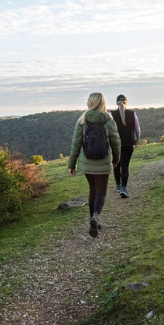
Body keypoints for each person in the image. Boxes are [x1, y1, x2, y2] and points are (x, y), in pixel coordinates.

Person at [68, 92, 121, 238]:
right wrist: (116, 159)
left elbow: (76, 144)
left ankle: (93, 220)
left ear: (92, 103)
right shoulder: (109, 121)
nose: (86, 103)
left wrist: (71, 164)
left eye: (88, 101)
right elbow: (117, 143)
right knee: (101, 192)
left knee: (92, 190)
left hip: (87, 162)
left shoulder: (82, 120)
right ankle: (96, 217)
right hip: (104, 162)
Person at [110, 94, 141, 199]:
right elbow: (138, 130)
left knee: (116, 165)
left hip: (115, 145)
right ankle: (123, 188)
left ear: (116, 103)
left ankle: (118, 185)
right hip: (128, 143)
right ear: (126, 103)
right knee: (125, 167)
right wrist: (137, 139)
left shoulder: (111, 114)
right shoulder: (132, 114)